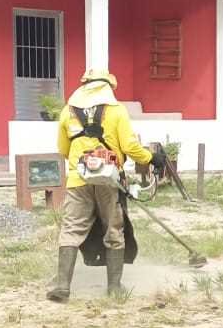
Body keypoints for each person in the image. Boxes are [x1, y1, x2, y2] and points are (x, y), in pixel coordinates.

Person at [46, 69, 152, 301]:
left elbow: (63, 149)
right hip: (109, 179)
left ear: (84, 86)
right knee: (113, 230)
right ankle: (114, 288)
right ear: (108, 87)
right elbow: (130, 147)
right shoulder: (116, 111)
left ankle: (63, 285)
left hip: (77, 179)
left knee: (71, 229)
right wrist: (149, 158)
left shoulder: (68, 112)